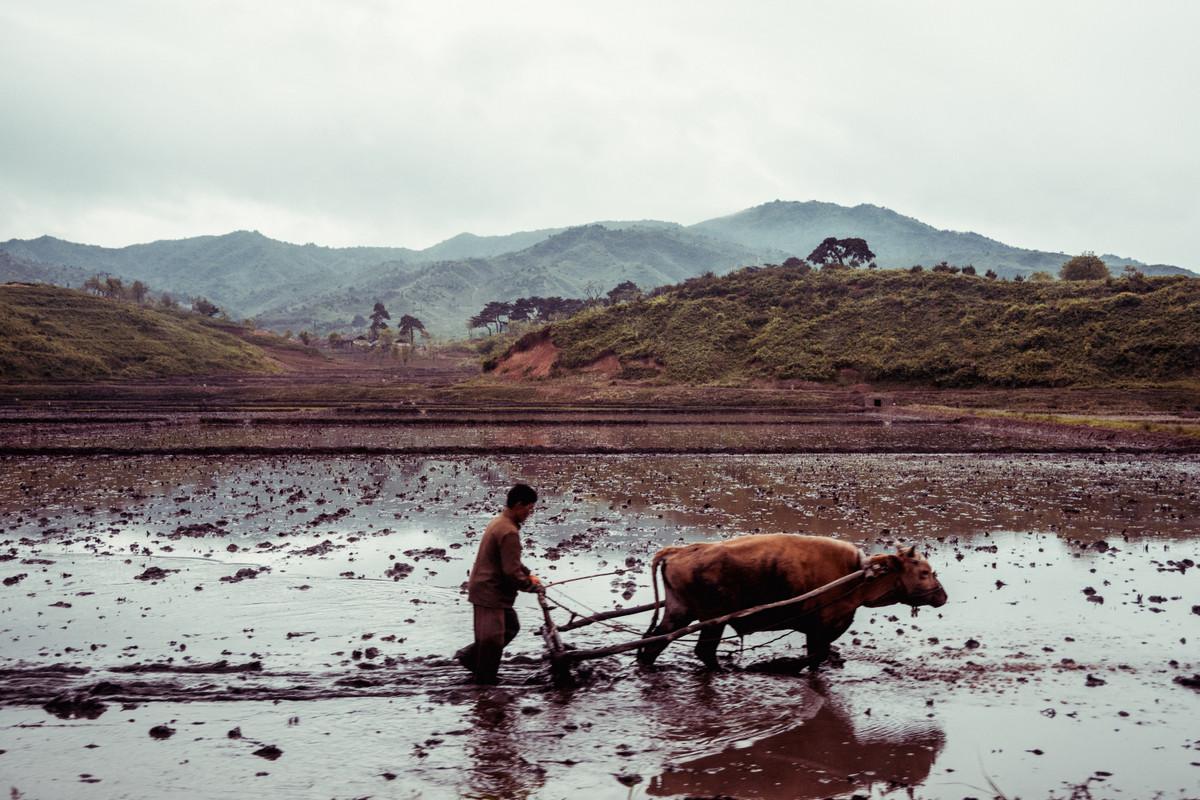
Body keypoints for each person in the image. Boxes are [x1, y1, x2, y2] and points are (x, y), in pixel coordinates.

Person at [455, 483, 542, 684]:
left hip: (485, 588)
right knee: (492, 641)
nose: (530, 514)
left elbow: (511, 561)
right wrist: (532, 587)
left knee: (511, 626)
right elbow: (511, 572)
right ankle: (485, 683)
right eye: (529, 509)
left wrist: (528, 574)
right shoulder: (509, 531)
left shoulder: (499, 522)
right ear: (519, 505)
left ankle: (470, 657)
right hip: (490, 591)